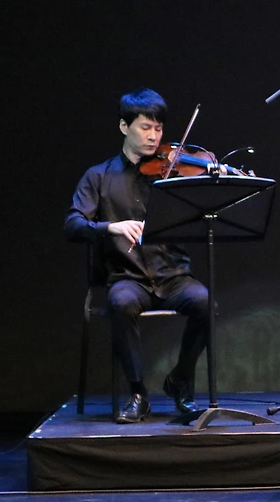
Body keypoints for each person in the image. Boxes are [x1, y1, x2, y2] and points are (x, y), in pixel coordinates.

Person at [64, 89, 211, 424]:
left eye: (158, 128)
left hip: (172, 275)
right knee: (121, 304)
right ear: (124, 126)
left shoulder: (171, 173)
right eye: (145, 127)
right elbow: (72, 225)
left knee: (204, 301)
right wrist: (110, 227)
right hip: (127, 277)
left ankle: (180, 379)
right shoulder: (98, 176)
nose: (153, 136)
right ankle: (138, 393)